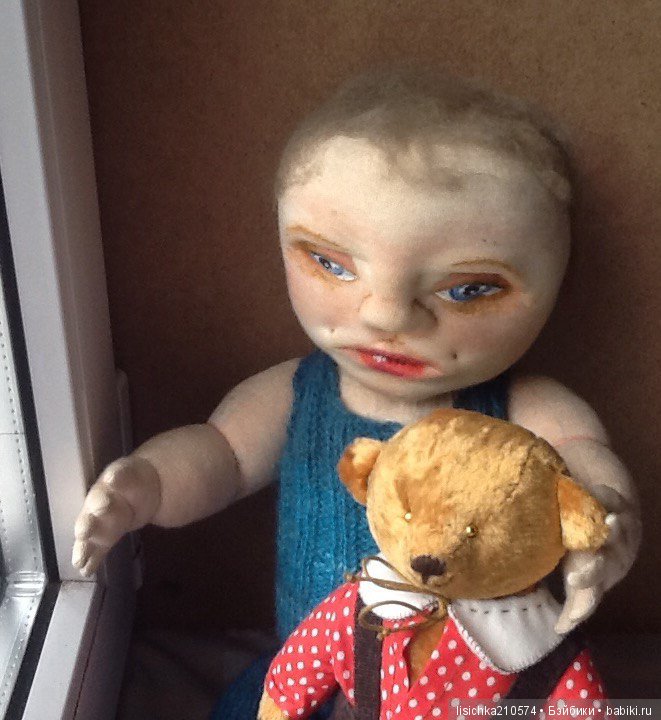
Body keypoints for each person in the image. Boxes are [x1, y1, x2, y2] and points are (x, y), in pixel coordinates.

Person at [73, 70, 640, 718]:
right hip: (311, 682)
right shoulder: (296, 392)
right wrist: (148, 484)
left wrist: (604, 523)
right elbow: (221, 455)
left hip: (468, 698)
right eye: (332, 265)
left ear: (558, 285)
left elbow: (585, 457)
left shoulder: (522, 407)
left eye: (467, 290)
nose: (387, 316)